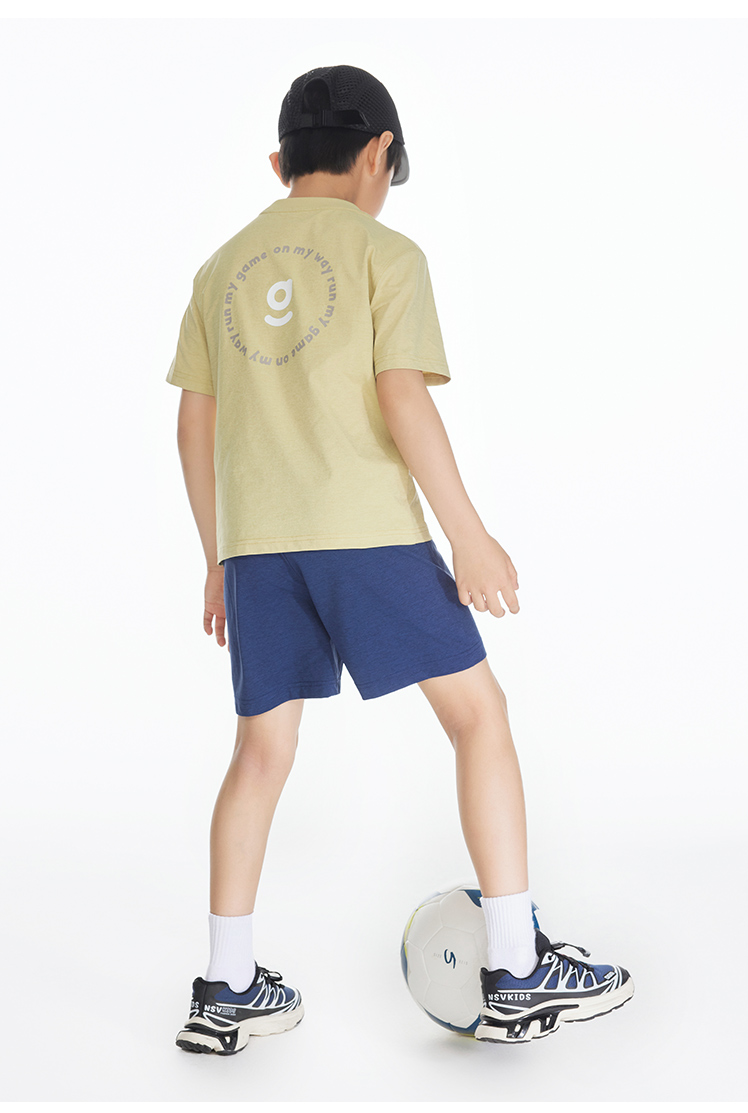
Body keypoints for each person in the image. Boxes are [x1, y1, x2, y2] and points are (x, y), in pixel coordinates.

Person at [165, 65, 634, 1055]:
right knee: (479, 716)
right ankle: (515, 968)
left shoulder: (220, 270)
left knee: (260, 753)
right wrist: (468, 532)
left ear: (279, 163)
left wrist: (216, 559)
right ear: (379, 153)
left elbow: (193, 426)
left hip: (258, 550)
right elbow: (402, 395)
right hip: (367, 533)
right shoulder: (387, 253)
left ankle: (226, 986)